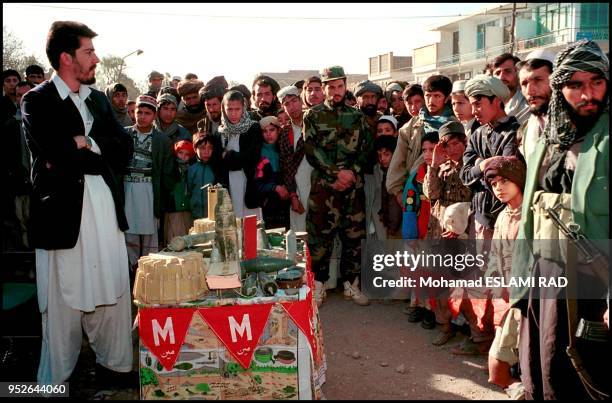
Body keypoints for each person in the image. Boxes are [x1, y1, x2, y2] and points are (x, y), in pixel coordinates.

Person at [21, 21, 134, 386]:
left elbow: (124, 150)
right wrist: (84, 150)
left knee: (112, 293)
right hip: (63, 221)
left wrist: (88, 144)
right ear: (67, 58)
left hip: (104, 215)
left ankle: (114, 369)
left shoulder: (99, 100)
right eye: (88, 51)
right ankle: (55, 381)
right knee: (62, 304)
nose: (96, 58)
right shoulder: (36, 101)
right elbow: (54, 152)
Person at [512, 39, 609, 400]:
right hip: (543, 275)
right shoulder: (546, 140)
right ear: (560, 88)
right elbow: (530, 214)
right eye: (576, 85)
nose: (588, 94)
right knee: (542, 370)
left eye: (596, 82)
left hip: (593, 282)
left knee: (589, 376)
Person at [303, 65, 373, 307]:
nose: (336, 91)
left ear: (346, 86)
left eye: (339, 86)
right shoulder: (312, 116)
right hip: (324, 188)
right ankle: (319, 286)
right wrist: (335, 174)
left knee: (353, 238)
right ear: (323, 89)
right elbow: (312, 150)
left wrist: (350, 173)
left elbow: (366, 149)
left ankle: (351, 285)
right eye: (331, 87)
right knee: (320, 240)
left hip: (352, 188)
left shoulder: (357, 116)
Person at [423, 121, 472, 342]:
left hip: (463, 234)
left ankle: (471, 330)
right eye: (446, 145)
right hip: (440, 232)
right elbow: (431, 194)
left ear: (464, 143)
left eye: (455, 144)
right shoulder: (440, 168)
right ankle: (445, 327)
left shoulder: (472, 166)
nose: (451, 149)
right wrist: (434, 164)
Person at [481, 156, 525, 397]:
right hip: (509, 300)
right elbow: (494, 258)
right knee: (497, 367)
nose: (499, 187)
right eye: (494, 183)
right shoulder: (503, 216)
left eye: (505, 181)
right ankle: (516, 387)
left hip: (531, 299)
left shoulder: (533, 215)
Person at [461, 74, 521, 243]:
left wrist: (480, 163)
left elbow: (504, 171)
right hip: (478, 216)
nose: (473, 112)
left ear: (496, 100)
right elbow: (465, 175)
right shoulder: (477, 135)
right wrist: (483, 165)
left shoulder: (513, 132)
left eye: (478, 105)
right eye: (472, 105)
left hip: (506, 217)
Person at [386, 75, 456, 213]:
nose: (432, 101)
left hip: (446, 190)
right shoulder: (412, 126)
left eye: (437, 96)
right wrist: (398, 191)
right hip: (414, 189)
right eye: (428, 95)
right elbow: (398, 159)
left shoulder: (454, 124)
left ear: (446, 98)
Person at [124, 95, 174, 269]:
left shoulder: (162, 140)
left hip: (150, 190)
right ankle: (131, 270)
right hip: (127, 188)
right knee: (128, 232)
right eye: (139, 112)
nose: (142, 116)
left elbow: (168, 173)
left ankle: (148, 271)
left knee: (149, 234)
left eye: (147, 113)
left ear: (154, 116)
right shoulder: (124, 134)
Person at [218, 90, 262, 218]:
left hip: (248, 182)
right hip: (228, 184)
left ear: (244, 108)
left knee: (251, 223)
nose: (233, 113)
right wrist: (236, 158)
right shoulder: (221, 131)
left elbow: (252, 157)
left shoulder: (253, 128)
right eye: (229, 109)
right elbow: (218, 161)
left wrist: (229, 155)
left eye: (237, 109)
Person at [277, 85, 312, 232]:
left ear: (301, 101)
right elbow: (286, 168)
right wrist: (293, 196)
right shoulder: (285, 133)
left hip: (319, 190)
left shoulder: (314, 124)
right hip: (297, 193)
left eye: (294, 101)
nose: (292, 107)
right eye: (287, 104)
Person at [249, 116, 290, 229]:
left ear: (278, 130)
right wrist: (276, 188)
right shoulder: (260, 154)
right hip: (268, 206)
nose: (268, 134)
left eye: (272, 130)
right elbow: (257, 185)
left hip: (287, 204)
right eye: (264, 131)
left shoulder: (284, 149)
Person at [515, 49, 555, 161]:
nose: (530, 91)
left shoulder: (575, 124)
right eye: (524, 83)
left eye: (538, 80)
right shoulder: (528, 128)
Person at [164, 139, 195, 244]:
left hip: (187, 209)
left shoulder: (191, 169)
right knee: (174, 239)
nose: (183, 156)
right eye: (180, 152)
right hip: (173, 208)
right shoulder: (170, 167)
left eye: (187, 154)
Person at [188, 132, 223, 219]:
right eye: (202, 148)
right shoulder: (191, 169)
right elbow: (189, 190)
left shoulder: (216, 168)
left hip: (213, 214)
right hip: (195, 214)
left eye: (210, 148)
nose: (206, 152)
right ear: (195, 149)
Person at [492, 53, 530, 126]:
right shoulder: (489, 106)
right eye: (497, 73)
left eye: (507, 71)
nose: (501, 78)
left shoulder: (527, 104)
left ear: (518, 74)